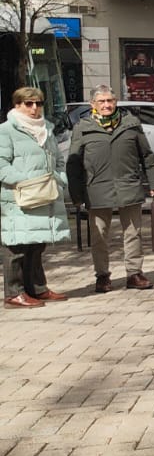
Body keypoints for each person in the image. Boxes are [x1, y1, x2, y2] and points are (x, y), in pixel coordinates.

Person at [67, 86, 154, 292]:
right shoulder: (82, 127)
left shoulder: (131, 124)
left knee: (133, 233)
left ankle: (134, 274)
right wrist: (76, 195)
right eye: (101, 102)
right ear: (93, 104)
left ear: (115, 101)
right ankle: (102, 276)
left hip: (128, 185)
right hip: (96, 190)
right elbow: (73, 164)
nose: (106, 105)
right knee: (99, 236)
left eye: (110, 100)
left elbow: (147, 155)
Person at [0, 87, 71, 308]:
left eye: (38, 103)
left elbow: (58, 159)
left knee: (37, 243)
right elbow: (2, 165)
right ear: (17, 105)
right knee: (17, 245)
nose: (34, 108)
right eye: (28, 103)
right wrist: (26, 181)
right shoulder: (6, 130)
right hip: (19, 196)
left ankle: (37, 289)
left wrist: (59, 179)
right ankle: (14, 293)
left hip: (44, 194)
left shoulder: (46, 129)